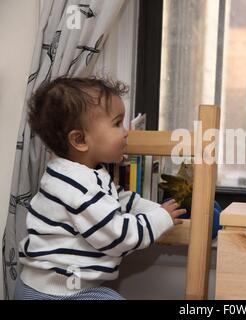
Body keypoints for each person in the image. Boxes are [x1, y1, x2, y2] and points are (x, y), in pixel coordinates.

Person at [15, 77, 186, 300]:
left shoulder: (81, 173)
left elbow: (118, 199)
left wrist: (159, 208)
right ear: (80, 140)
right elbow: (117, 235)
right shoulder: (77, 186)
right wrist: (159, 219)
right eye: (117, 124)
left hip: (60, 286)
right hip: (55, 292)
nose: (125, 132)